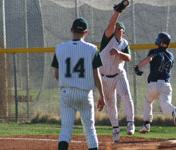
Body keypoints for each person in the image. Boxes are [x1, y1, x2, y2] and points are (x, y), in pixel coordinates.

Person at [51, 17, 105, 150]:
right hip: (85, 94)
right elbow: (96, 74)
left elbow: (57, 75)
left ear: (71, 30)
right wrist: (101, 95)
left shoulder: (60, 48)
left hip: (67, 93)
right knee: (90, 129)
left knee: (66, 130)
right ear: (85, 32)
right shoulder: (92, 49)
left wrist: (67, 84)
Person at [99, 0, 135, 142]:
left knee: (126, 95)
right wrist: (118, 11)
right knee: (111, 103)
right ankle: (115, 128)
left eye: (119, 28)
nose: (117, 29)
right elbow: (110, 26)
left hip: (119, 75)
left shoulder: (124, 43)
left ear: (123, 32)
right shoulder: (108, 38)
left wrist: (118, 53)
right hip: (105, 77)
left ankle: (130, 123)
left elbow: (129, 58)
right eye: (116, 27)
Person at [134, 32, 176, 134]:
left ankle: (146, 124)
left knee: (148, 101)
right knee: (165, 105)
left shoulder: (155, 51)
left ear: (159, 42)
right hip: (166, 85)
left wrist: (137, 67)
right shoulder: (171, 55)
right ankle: (173, 111)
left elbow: (149, 59)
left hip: (154, 85)